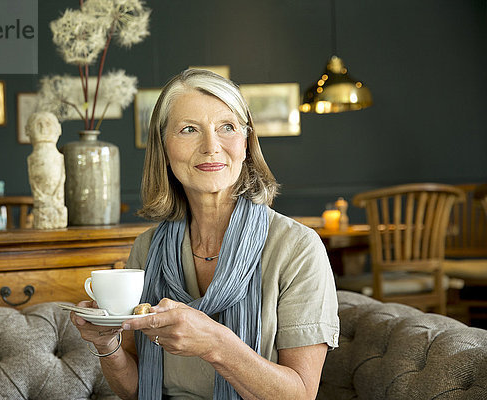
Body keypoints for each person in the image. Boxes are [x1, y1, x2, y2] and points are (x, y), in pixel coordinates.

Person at [70, 69, 339, 399]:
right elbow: (137, 390)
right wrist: (107, 345)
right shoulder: (147, 248)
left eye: (227, 127)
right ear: (164, 147)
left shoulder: (297, 248)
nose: (211, 147)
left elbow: (300, 394)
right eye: (188, 130)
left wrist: (216, 344)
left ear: (245, 141)